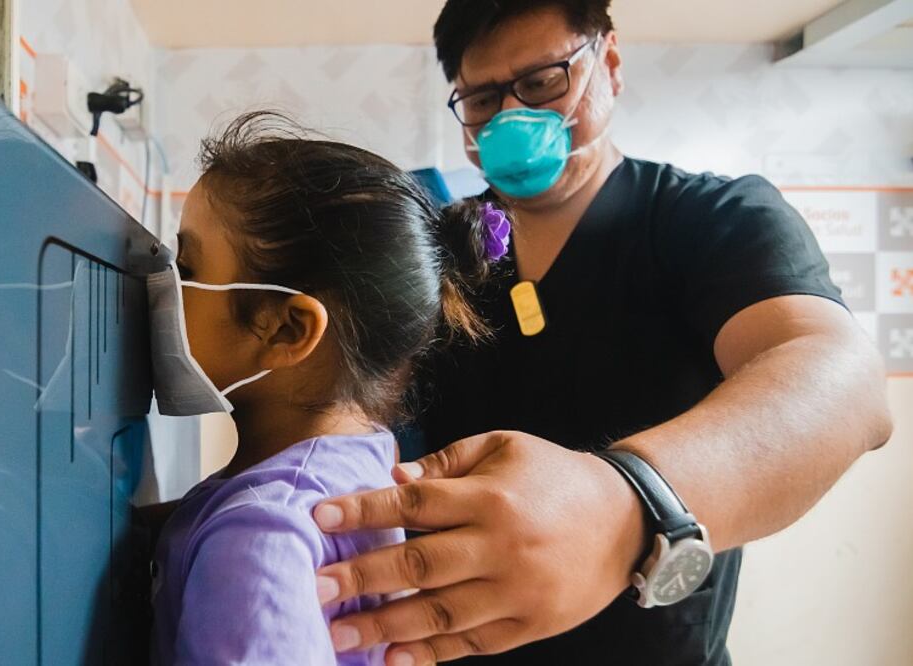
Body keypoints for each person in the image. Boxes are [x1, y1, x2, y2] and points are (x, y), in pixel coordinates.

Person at [308, 2, 894, 664]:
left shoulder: (709, 220)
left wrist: (624, 506)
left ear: (608, 63)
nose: (511, 118)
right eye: (481, 98)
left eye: (542, 82)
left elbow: (842, 383)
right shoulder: (438, 249)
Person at [147, 112, 509, 664]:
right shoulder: (361, 460)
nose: (166, 287)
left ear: (287, 329)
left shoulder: (261, 536)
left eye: (187, 266)